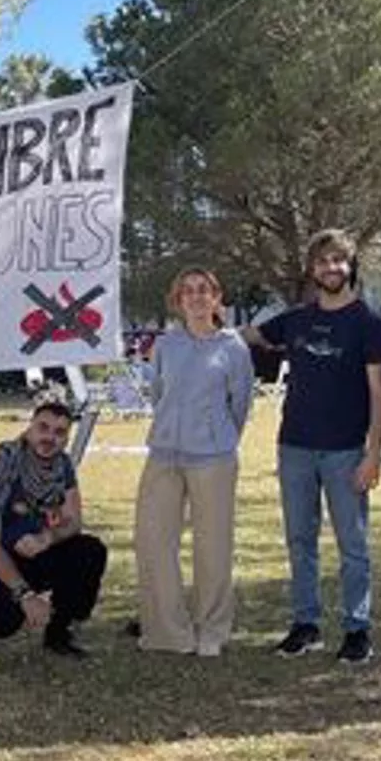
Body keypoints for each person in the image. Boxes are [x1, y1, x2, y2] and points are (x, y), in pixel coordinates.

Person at [243, 231, 381, 663]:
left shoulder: (368, 323)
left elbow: (380, 394)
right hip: (295, 448)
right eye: (323, 261)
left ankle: (357, 629)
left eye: (339, 261)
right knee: (300, 539)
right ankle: (305, 625)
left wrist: (373, 453)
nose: (331, 268)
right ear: (312, 269)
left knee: (353, 545)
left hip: (346, 450)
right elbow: (247, 336)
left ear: (351, 266)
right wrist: (205, 319)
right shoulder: (295, 320)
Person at [135, 267, 254, 656]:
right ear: (178, 300)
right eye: (188, 291)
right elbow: (157, 394)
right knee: (154, 542)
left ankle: (212, 630)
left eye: (204, 290)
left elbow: (240, 405)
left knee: (213, 547)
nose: (197, 297)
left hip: (213, 459)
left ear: (217, 298)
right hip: (164, 455)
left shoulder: (233, 347)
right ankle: (168, 632)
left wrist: (217, 437)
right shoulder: (166, 346)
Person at [0, 399, 109, 658]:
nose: (50, 437)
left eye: (59, 432)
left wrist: (48, 537)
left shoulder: (62, 466)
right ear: (30, 428)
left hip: (32, 551)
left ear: (66, 438)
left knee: (89, 551)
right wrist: (25, 595)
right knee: (3, 623)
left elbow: (74, 521)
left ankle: (59, 632)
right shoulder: (0, 467)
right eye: (44, 427)